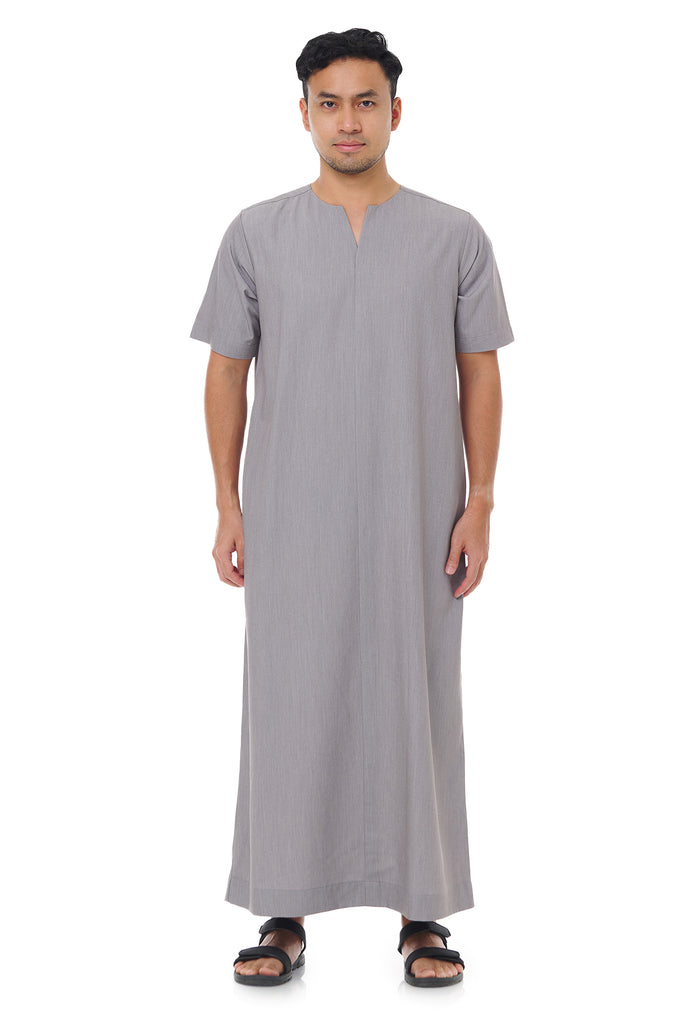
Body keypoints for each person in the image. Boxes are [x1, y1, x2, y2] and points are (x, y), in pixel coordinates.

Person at [189, 28, 515, 988]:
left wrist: (481, 499)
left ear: (395, 112)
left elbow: (479, 370)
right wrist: (226, 503)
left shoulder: (453, 234)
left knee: (418, 697)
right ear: (302, 113)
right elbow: (225, 371)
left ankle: (423, 912)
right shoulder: (257, 233)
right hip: (292, 507)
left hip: (419, 511)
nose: (347, 120)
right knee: (291, 698)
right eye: (328, 102)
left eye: (364, 101)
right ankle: (281, 909)